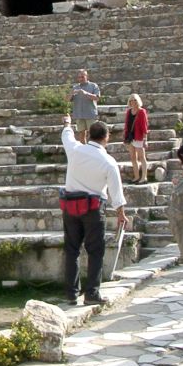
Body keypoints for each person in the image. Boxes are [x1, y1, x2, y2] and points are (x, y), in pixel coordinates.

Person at [60, 115, 128, 305]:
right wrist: (121, 213)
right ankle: (91, 293)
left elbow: (66, 135)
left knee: (72, 250)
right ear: (107, 137)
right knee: (95, 251)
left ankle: (71, 294)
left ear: (89, 134)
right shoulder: (108, 161)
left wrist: (67, 123)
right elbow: (116, 192)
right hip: (93, 209)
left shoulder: (75, 149)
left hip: (71, 206)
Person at [123, 94, 150, 184]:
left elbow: (144, 126)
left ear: (138, 101)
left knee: (141, 157)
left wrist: (145, 139)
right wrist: (125, 137)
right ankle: (136, 177)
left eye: (135, 100)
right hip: (130, 137)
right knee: (133, 157)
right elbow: (127, 125)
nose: (133, 102)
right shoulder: (128, 111)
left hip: (139, 137)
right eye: (131, 100)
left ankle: (144, 177)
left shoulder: (142, 111)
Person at [69, 69, 100, 145]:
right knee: (81, 134)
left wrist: (86, 93)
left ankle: (92, 149)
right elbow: (67, 99)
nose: (81, 79)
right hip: (79, 114)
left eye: (82, 77)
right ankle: (84, 149)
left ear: (87, 76)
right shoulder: (75, 87)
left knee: (93, 134)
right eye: (79, 77)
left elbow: (97, 98)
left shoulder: (93, 86)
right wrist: (71, 94)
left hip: (90, 114)